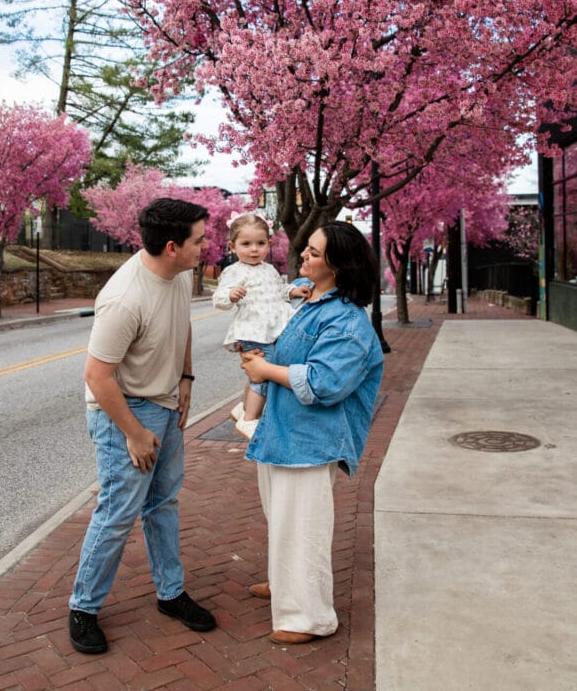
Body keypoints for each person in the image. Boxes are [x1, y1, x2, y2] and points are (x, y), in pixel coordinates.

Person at [68, 197, 217, 655]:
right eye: (199, 239)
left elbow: (183, 326)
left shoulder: (180, 274)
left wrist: (186, 378)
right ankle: (83, 608)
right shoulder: (124, 298)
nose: (206, 246)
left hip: (167, 404)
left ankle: (170, 593)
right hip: (125, 413)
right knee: (117, 512)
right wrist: (133, 432)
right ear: (172, 246)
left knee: (164, 503)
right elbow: (96, 375)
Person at [240, 221, 384, 645]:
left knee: (303, 526)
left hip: (311, 440)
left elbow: (325, 383)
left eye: (315, 252)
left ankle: (309, 616)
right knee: (283, 519)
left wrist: (265, 369)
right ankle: (285, 584)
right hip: (283, 433)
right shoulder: (312, 302)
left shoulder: (347, 322)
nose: (303, 254)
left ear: (338, 266)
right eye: (307, 247)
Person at [212, 212, 310, 438]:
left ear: (269, 244)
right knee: (263, 375)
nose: (254, 249)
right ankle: (249, 419)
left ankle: (243, 408)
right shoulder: (234, 271)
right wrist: (231, 295)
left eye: (260, 243)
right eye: (246, 244)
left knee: (257, 374)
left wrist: (293, 291)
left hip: (271, 330)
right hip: (253, 331)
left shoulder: (269, 269)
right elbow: (219, 298)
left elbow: (278, 291)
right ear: (232, 246)